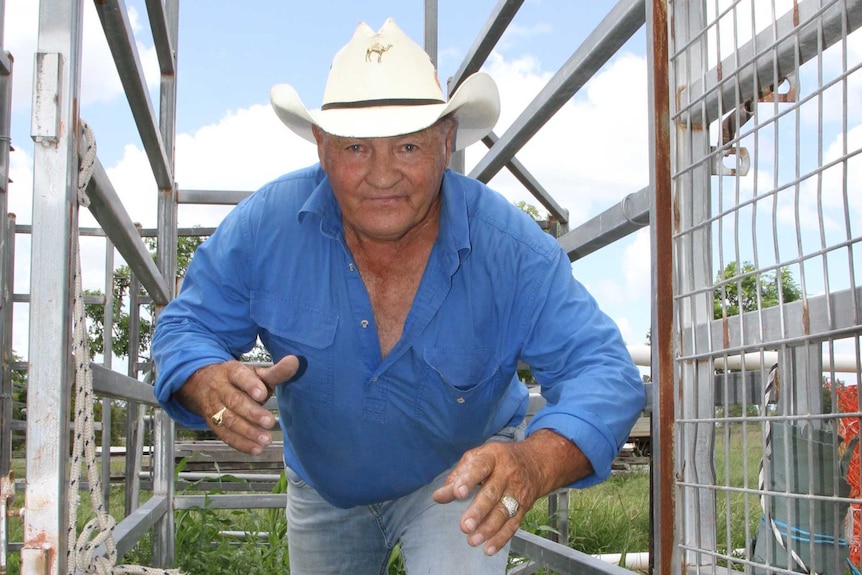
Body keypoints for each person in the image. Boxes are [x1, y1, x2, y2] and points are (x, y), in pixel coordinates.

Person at [152, 18, 645, 575]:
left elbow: (604, 369)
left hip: (460, 475)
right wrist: (203, 377)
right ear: (321, 146)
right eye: (357, 146)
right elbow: (183, 328)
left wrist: (533, 461)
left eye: (408, 145)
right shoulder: (264, 228)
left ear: (446, 140)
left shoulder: (512, 250)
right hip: (324, 486)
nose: (382, 176)